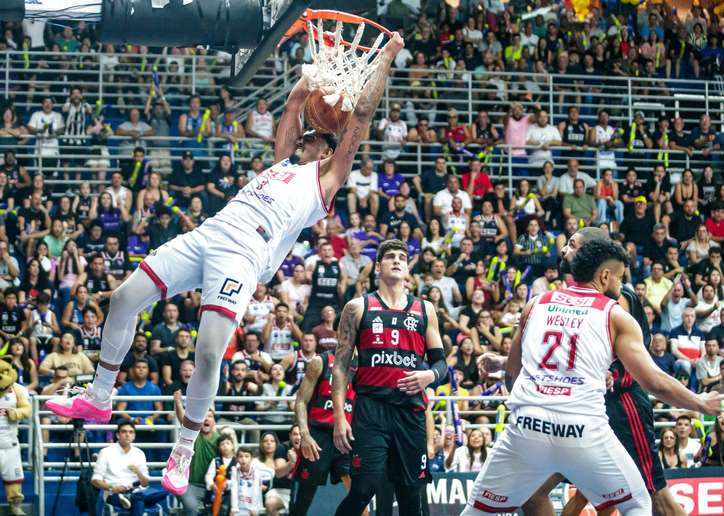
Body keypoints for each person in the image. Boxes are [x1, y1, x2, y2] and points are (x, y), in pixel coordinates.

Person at [45, 32, 407, 495]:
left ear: (329, 149)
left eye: (319, 137)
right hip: (209, 234)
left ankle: (183, 449)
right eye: (309, 135)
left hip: (243, 254)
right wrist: (310, 78)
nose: (309, 137)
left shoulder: (327, 182)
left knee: (210, 352)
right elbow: (295, 105)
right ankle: (98, 397)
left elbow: (360, 115)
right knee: (122, 299)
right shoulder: (281, 165)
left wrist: (388, 54)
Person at [464, 239, 720, 515]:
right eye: (620, 277)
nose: (622, 285)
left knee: (479, 509)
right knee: (638, 503)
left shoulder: (535, 304)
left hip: (527, 425)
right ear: (605, 276)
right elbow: (653, 381)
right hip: (581, 426)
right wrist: (700, 403)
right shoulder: (614, 315)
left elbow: (514, 370)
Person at [332, 240, 448, 515]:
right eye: (390, 257)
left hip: (410, 411)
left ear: (407, 268)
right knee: (363, 488)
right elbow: (340, 366)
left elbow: (441, 364)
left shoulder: (425, 309)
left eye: (402, 257)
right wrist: (339, 415)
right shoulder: (357, 307)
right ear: (379, 267)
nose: (397, 260)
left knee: (411, 494)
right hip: (371, 409)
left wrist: (428, 376)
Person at [290, 349, 356, 516]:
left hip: (347, 435)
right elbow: (300, 401)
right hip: (318, 435)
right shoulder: (321, 361)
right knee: (304, 497)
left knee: (359, 492)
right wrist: (304, 435)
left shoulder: (363, 363)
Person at [91, 420, 168, 516]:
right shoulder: (105, 452)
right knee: (140, 502)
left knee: (165, 492)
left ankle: (129, 498)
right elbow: (95, 480)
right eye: (124, 432)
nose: (127, 435)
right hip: (114, 494)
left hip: (136, 491)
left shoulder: (139, 453)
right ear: (118, 435)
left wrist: (138, 472)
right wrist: (112, 487)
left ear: (134, 436)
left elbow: (145, 483)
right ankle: (129, 498)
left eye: (131, 432)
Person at [0, 358, 31, 516]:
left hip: (9, 442)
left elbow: (27, 410)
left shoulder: (16, 389)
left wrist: (16, 413)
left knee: (13, 478)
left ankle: (15, 506)